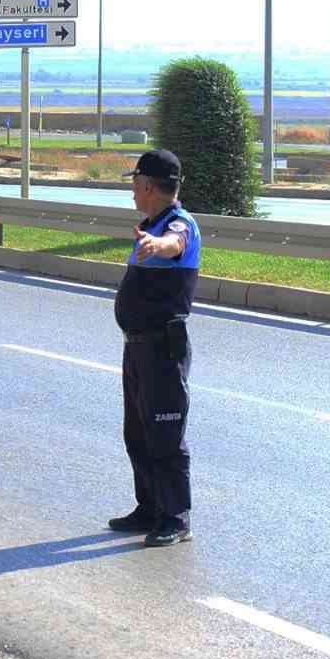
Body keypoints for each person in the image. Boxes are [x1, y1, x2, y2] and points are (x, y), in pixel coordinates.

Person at [108, 149, 202, 548]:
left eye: (134, 183)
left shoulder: (177, 224)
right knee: (138, 432)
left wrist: (157, 245)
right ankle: (149, 506)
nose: (131, 191)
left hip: (162, 347)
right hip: (138, 347)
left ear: (148, 185)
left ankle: (176, 517)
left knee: (165, 432)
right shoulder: (151, 224)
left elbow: (175, 243)